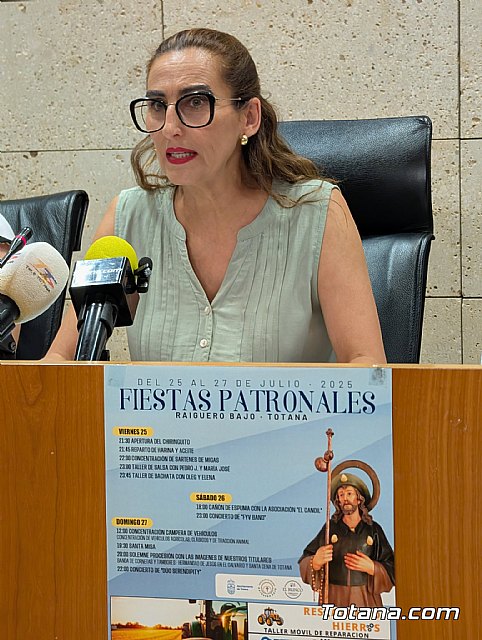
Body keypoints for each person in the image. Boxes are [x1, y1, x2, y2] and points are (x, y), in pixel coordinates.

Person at [46, 27, 386, 363]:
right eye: (157, 105)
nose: (170, 128)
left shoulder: (318, 211)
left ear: (249, 117)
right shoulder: (129, 216)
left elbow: (366, 365)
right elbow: (61, 361)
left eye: (195, 102)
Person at [298, 472, 395, 607]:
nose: (345, 499)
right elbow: (305, 559)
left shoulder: (373, 530)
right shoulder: (330, 528)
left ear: (359, 499)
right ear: (337, 501)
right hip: (334, 595)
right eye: (341, 495)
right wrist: (315, 561)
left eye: (349, 493)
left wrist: (373, 568)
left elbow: (392, 566)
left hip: (364, 596)